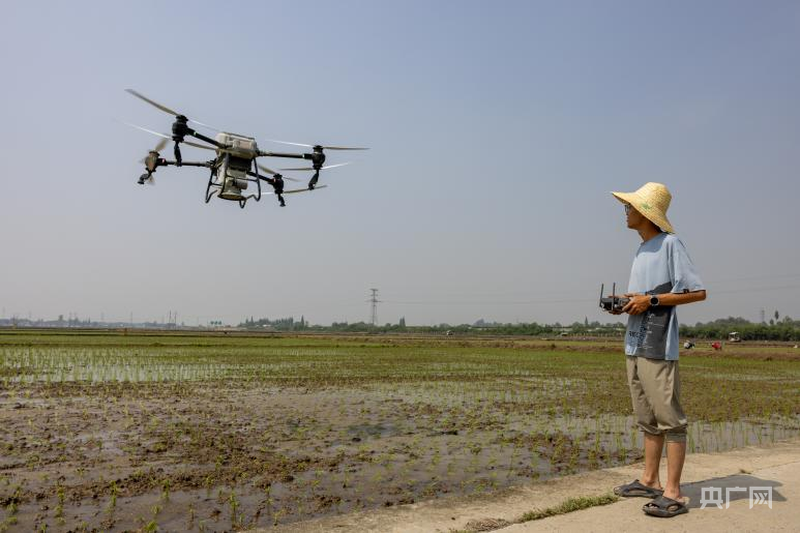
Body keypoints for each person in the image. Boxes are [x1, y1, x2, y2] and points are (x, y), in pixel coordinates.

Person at [603, 182, 706, 518]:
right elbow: (644, 296)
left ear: (646, 213)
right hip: (634, 342)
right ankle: (649, 480)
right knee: (646, 417)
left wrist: (651, 301)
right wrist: (627, 302)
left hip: (659, 345)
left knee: (670, 420)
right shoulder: (642, 249)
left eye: (629, 207)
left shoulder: (670, 244)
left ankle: (673, 492)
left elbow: (696, 292)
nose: (625, 212)